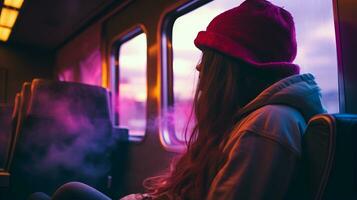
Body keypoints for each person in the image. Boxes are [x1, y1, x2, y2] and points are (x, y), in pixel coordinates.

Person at [28, 0, 326, 199]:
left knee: (67, 193)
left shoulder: (267, 126)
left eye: (209, 58)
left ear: (233, 67)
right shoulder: (245, 119)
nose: (199, 67)